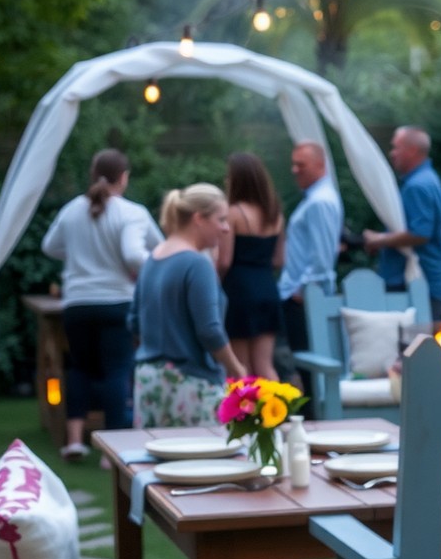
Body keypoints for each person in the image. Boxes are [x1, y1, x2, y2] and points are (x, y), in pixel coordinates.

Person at [41, 148, 161, 460]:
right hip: (117, 301)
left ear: (94, 175)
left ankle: (75, 441)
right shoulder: (132, 212)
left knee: (80, 368)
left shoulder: (71, 210)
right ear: (124, 177)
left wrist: (80, 258)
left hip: (77, 303)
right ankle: (113, 453)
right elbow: (148, 252)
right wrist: (152, 268)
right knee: (117, 371)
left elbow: (49, 246)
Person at [129, 184, 246, 428]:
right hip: (189, 384)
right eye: (221, 219)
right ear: (199, 219)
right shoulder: (197, 264)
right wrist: (236, 369)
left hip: (148, 382)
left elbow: (134, 322)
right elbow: (209, 330)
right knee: (202, 463)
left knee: (151, 462)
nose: (226, 228)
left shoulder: (152, 260)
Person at [277, 141, 343, 400]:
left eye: (300, 165)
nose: (294, 170)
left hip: (305, 299)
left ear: (319, 165)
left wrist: (301, 291)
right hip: (300, 295)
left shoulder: (320, 202)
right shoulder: (317, 198)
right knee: (302, 367)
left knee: (308, 368)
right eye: (293, 164)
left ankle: (313, 423)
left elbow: (323, 257)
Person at [362, 126, 441, 319]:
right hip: (426, 280)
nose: (392, 153)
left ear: (412, 150)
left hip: (414, 282)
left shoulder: (417, 186)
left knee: (416, 344)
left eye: (396, 147)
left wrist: (379, 239)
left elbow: (419, 234)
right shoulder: (429, 179)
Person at [216, 152, 285, 381]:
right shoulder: (275, 214)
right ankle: (275, 414)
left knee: (240, 366)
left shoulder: (233, 213)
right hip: (267, 288)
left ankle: (241, 417)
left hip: (240, 291)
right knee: (265, 365)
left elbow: (224, 260)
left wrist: (215, 281)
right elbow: (278, 260)